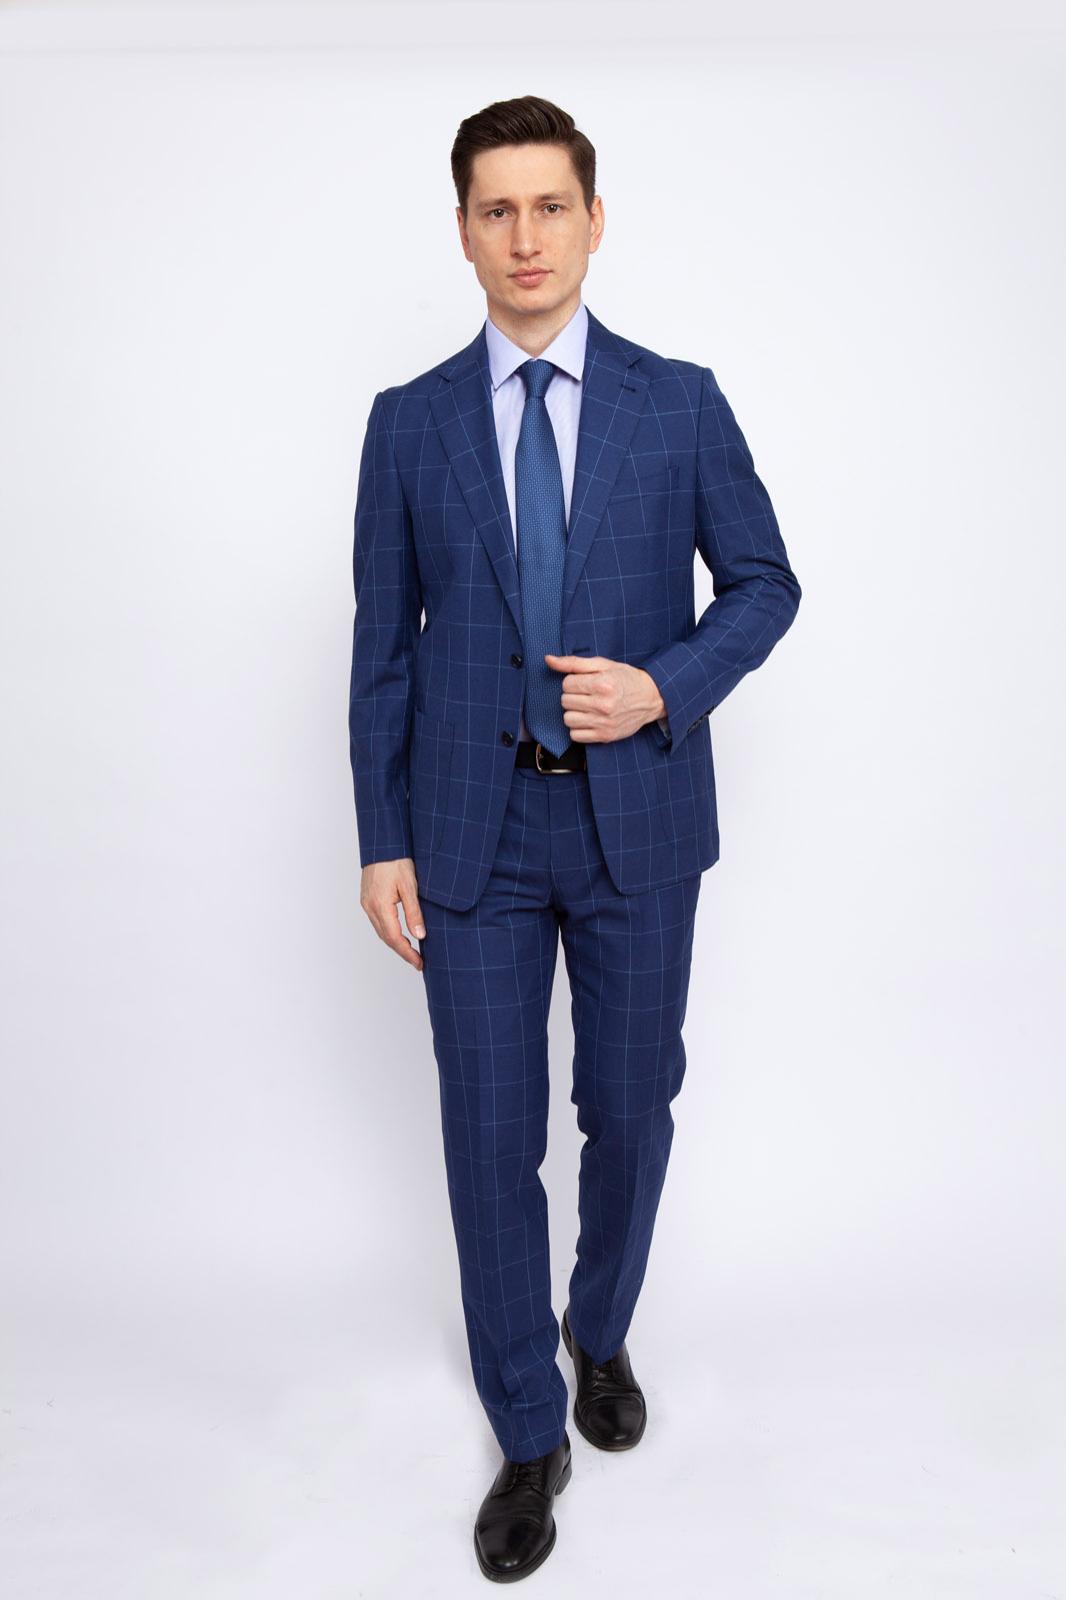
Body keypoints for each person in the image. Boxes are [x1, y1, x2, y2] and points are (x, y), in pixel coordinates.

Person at [348, 93, 801, 1582]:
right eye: (498, 210)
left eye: (551, 207)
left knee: (630, 1108)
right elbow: (383, 648)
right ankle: (527, 1428)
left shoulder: (680, 403)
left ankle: (596, 1331)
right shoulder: (409, 421)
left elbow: (764, 584)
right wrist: (381, 837)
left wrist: (663, 685)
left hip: (635, 826)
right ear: (463, 231)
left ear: (594, 222)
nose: (526, 237)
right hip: (466, 836)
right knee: (488, 1138)